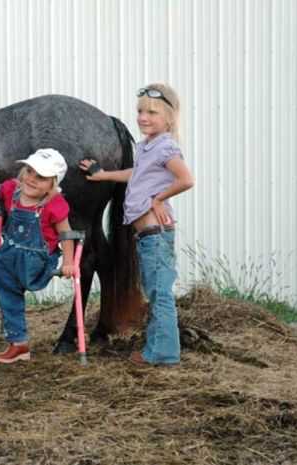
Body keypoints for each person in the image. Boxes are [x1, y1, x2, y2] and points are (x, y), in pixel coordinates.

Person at [80, 83, 194, 366]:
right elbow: (137, 173)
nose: (143, 117)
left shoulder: (166, 146)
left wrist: (158, 199)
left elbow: (186, 179)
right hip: (147, 235)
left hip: (155, 234)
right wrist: (104, 175)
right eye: (140, 111)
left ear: (168, 117)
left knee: (160, 294)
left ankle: (163, 352)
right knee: (156, 291)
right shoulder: (146, 147)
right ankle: (160, 348)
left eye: (152, 112)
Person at [0, 148, 76, 363]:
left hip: (36, 261)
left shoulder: (54, 205)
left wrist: (68, 262)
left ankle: (18, 343)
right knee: (7, 297)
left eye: (41, 177)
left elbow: (66, 234)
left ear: (53, 184)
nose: (31, 179)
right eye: (29, 171)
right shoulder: (13, 191)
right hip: (8, 255)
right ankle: (18, 345)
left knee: (14, 289)